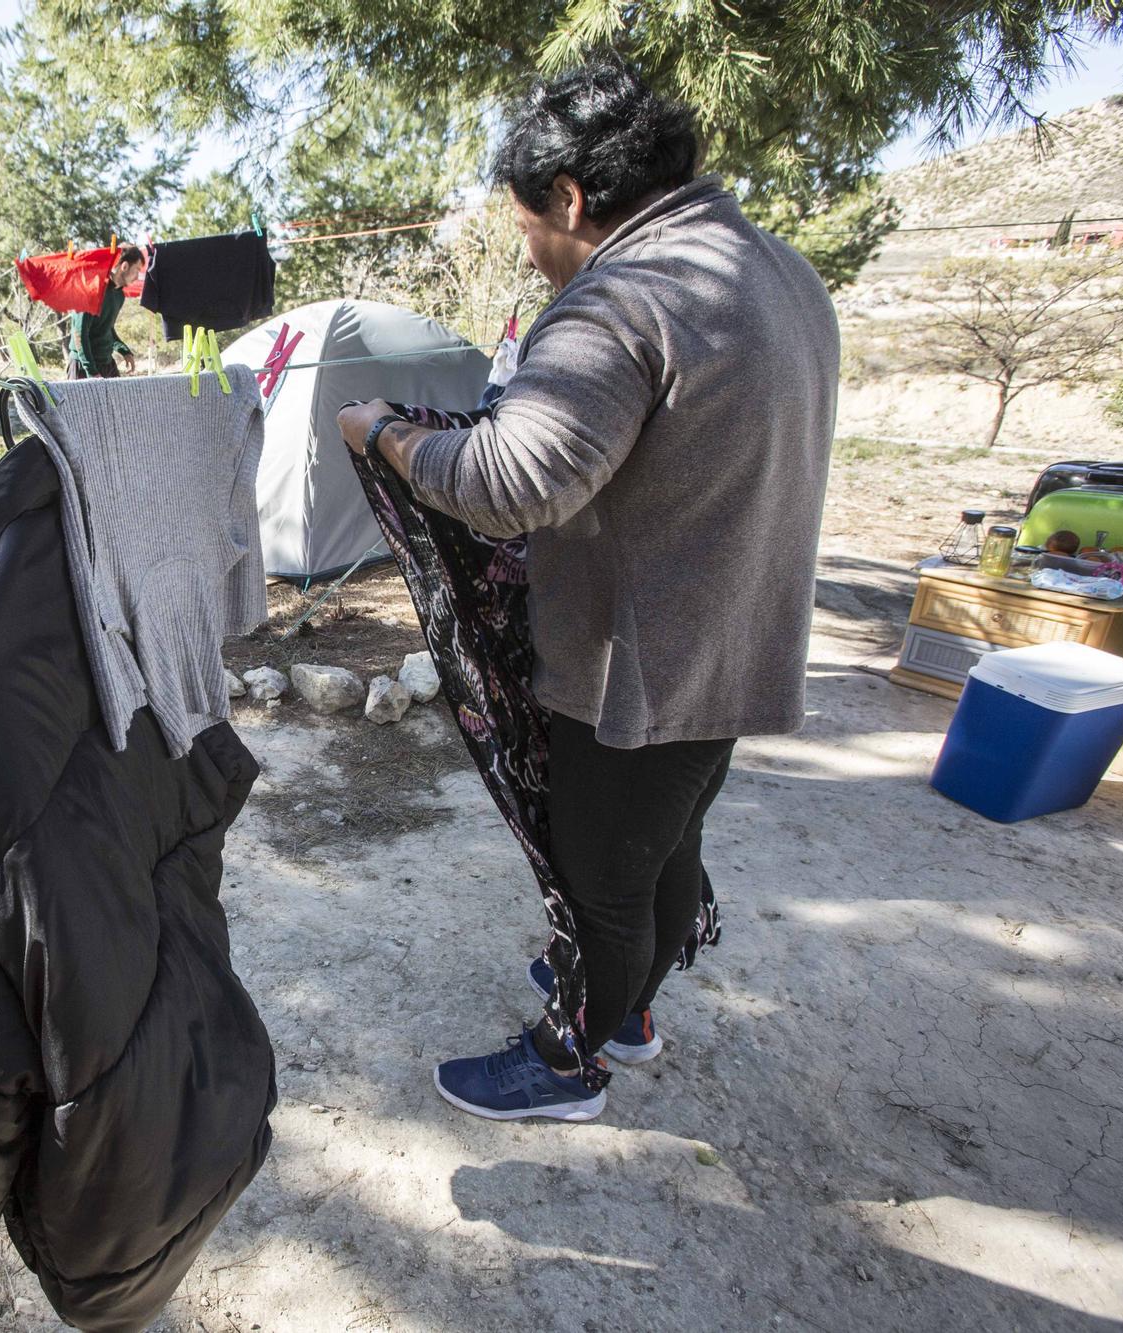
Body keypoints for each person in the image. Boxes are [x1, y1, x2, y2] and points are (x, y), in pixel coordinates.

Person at [337, 58, 839, 1124]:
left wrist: (382, 436)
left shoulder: (622, 297)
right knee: (660, 852)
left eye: (525, 229)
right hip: (729, 641)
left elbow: (510, 483)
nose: (529, 257)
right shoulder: (775, 271)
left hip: (637, 667)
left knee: (602, 880)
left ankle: (573, 1059)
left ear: (570, 199)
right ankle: (631, 1008)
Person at [68, 245, 144, 378]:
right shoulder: (92, 289)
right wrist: (91, 371)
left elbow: (106, 328)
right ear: (125, 266)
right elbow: (80, 333)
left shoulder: (119, 295)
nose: (137, 277)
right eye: (137, 270)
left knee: (121, 399)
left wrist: (124, 350)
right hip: (83, 366)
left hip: (107, 364)